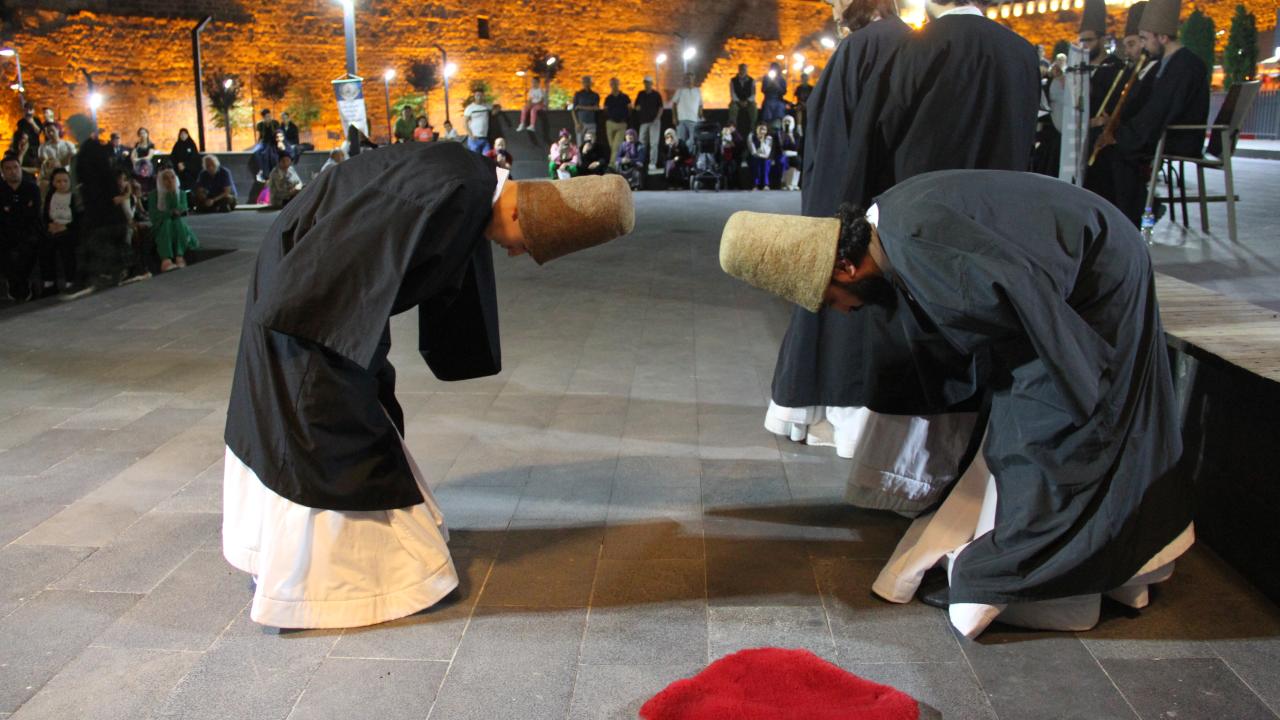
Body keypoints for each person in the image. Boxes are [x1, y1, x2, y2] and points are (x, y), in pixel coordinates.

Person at [720, 168, 1194, 639]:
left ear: (845, 268)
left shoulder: (922, 249)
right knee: (1020, 435)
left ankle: (1056, 585)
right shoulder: (886, 225)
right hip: (1080, 257)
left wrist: (1056, 416)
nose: (844, 311)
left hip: (1099, 273)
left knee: (1056, 439)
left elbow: (1034, 326)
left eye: (831, 300)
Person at [221, 141, 635, 630]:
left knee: (340, 405)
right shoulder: (457, 194)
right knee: (323, 419)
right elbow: (349, 255)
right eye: (525, 245)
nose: (513, 252)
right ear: (519, 214)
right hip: (308, 291)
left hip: (314, 271)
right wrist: (336, 344)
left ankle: (297, 557)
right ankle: (320, 584)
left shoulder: (472, 180)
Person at [768, 0, 1039, 518]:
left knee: (918, 356)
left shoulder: (914, 48)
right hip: (991, 227)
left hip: (920, 226)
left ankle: (907, 483)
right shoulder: (1023, 54)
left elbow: (874, 139)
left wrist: (851, 222)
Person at [1089, 0, 1208, 226]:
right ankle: (1117, 214)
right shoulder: (1170, 62)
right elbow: (1154, 110)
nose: (1143, 45)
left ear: (1161, 37)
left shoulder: (1185, 65)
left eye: (1144, 38)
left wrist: (1120, 134)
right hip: (1163, 130)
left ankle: (1128, 219)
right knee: (1106, 145)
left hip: (1179, 136)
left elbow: (1160, 111)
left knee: (1116, 151)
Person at [68, 115, 133, 295]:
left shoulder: (92, 150)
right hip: (98, 204)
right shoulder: (90, 149)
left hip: (100, 204)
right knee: (97, 242)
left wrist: (113, 196)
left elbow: (106, 176)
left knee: (93, 242)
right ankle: (97, 277)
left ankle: (87, 280)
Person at [0, 154, 41, 302]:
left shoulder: (31, 188)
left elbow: (33, 213)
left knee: (29, 249)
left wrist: (11, 211)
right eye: (8, 169)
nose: (13, 171)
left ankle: (23, 285)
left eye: (15, 167)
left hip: (28, 230)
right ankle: (13, 284)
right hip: (5, 232)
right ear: (3, 172)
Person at [148, 168, 199, 273]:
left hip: (176, 224)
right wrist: (169, 213)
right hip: (160, 225)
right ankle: (166, 259)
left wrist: (172, 194)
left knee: (178, 222)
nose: (170, 181)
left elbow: (181, 209)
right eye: (166, 178)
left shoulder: (181, 193)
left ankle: (179, 256)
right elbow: (154, 216)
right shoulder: (153, 195)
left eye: (172, 177)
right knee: (167, 223)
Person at [40, 167, 79, 296]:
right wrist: (50, 225)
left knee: (66, 247)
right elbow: (46, 214)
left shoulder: (74, 196)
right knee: (45, 246)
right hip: (54, 227)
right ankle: (49, 281)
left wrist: (66, 226)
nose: (62, 184)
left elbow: (79, 218)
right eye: (58, 181)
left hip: (70, 228)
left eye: (65, 181)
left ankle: (70, 280)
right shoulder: (51, 196)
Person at [634, 76, 663, 173]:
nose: (646, 85)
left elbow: (660, 107)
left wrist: (657, 118)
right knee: (642, 142)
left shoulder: (656, 94)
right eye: (645, 83)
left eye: (648, 83)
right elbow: (636, 105)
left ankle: (652, 163)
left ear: (651, 84)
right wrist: (638, 109)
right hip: (644, 122)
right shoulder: (641, 94)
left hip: (654, 122)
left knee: (654, 143)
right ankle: (641, 161)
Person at [38, 122, 76, 190]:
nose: (50, 133)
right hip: (50, 178)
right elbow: (47, 164)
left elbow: (72, 159)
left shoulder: (68, 145)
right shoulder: (43, 147)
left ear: (58, 130)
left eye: (52, 130)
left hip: (68, 176)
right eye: (48, 132)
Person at [603, 78, 631, 168]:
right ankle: (617, 163)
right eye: (612, 84)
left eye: (616, 84)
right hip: (610, 124)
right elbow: (605, 110)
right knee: (612, 146)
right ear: (610, 85)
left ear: (618, 84)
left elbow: (629, 108)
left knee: (616, 146)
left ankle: (612, 166)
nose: (614, 86)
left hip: (621, 124)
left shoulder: (625, 97)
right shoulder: (608, 98)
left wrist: (624, 118)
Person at [670, 73, 703, 148]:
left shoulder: (697, 91)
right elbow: (674, 104)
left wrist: (701, 116)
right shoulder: (680, 90)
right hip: (681, 120)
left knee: (693, 140)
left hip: (693, 120)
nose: (689, 80)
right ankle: (683, 154)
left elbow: (700, 105)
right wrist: (674, 118)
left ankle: (688, 153)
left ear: (693, 79)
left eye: (690, 78)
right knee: (681, 140)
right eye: (687, 78)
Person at [572, 76, 601, 145]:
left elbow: (596, 108)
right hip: (581, 124)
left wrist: (581, 107)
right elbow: (573, 110)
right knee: (580, 145)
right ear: (582, 83)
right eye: (584, 82)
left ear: (591, 83)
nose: (586, 84)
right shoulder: (578, 94)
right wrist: (576, 123)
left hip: (591, 123)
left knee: (590, 145)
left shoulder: (595, 95)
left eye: (588, 82)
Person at [728, 64, 758, 132]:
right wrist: (739, 101)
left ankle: (753, 128)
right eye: (741, 69)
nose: (743, 71)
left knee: (754, 108)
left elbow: (753, 93)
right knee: (733, 108)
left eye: (744, 69)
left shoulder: (752, 80)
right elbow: (732, 93)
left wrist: (747, 101)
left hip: (748, 102)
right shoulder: (733, 80)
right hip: (737, 101)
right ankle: (733, 129)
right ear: (739, 70)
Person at [777, 115, 803, 190]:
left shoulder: (796, 134)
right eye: (785, 121)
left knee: (797, 162)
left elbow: (796, 147)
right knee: (784, 162)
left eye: (789, 121)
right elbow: (781, 146)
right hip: (784, 154)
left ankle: (794, 183)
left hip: (794, 154)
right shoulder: (780, 134)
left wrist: (791, 138)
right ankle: (785, 183)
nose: (787, 123)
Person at [463, 90, 492, 155]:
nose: (479, 97)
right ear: (474, 96)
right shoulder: (470, 108)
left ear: (483, 96)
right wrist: (471, 135)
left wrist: (498, 108)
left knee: (487, 157)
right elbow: (465, 123)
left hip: (484, 138)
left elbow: (495, 109)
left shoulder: (486, 106)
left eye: (481, 95)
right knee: (476, 158)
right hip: (474, 139)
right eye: (477, 95)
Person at [760, 63, 788, 129]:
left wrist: (777, 85)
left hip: (778, 99)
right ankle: (767, 125)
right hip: (768, 99)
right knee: (768, 106)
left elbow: (784, 92)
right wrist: (770, 85)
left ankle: (777, 124)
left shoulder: (782, 79)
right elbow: (763, 90)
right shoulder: (766, 78)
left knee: (780, 106)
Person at [13, 104, 42, 168]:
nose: (28, 111)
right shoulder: (21, 122)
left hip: (34, 146)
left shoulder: (37, 120)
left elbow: (39, 132)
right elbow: (20, 134)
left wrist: (32, 123)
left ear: (33, 111)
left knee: (34, 165)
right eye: (26, 110)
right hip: (24, 145)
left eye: (30, 109)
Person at [747, 122, 773, 191]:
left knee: (765, 162)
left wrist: (762, 141)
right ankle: (755, 184)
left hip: (765, 157)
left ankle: (765, 184)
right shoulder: (751, 136)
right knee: (756, 162)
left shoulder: (769, 138)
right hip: (755, 156)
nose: (762, 131)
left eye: (764, 129)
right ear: (756, 129)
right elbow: (753, 150)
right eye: (760, 129)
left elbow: (767, 152)